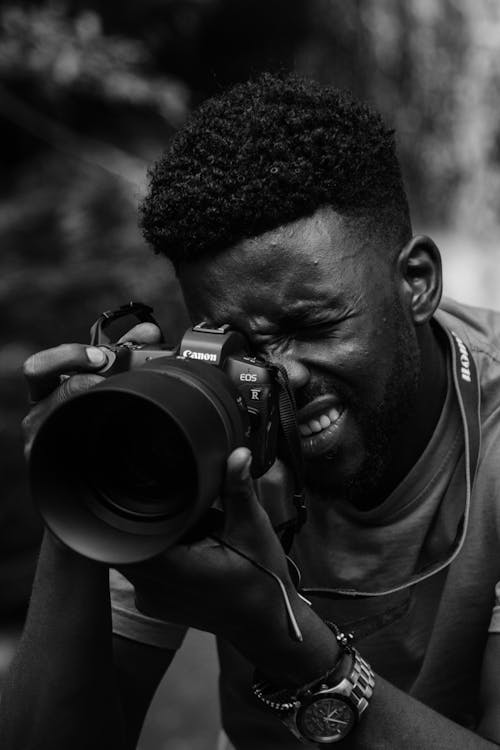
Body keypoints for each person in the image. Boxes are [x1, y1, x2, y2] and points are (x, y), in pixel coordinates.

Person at [1, 73, 500, 749]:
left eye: (315, 326)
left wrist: (283, 635)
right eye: (239, 343)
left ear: (415, 282)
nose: (280, 376)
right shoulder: (195, 425)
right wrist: (80, 487)